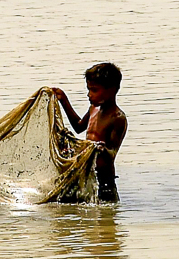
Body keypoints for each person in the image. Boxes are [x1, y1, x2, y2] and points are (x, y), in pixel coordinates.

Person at [52, 63, 128, 203]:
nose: (89, 95)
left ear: (111, 90)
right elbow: (79, 127)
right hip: (86, 173)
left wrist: (100, 148)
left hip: (103, 178)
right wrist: (64, 100)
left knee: (106, 215)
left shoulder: (117, 118)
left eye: (94, 90)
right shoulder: (93, 108)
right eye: (89, 89)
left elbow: (112, 153)